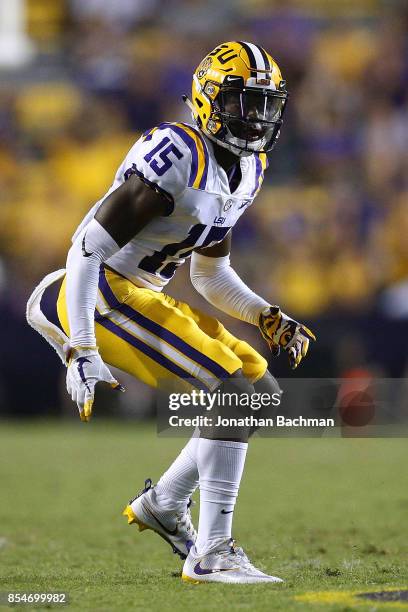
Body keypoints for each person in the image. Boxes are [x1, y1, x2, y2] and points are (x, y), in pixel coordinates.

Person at [27, 41, 315, 584]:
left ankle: (164, 503)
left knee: (260, 392)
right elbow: (86, 247)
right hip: (101, 292)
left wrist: (265, 314)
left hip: (142, 294)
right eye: (240, 102)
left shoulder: (249, 170)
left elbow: (208, 273)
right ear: (208, 100)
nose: (254, 118)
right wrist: (81, 347)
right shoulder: (178, 154)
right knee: (231, 390)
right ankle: (212, 553)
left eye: (263, 104)